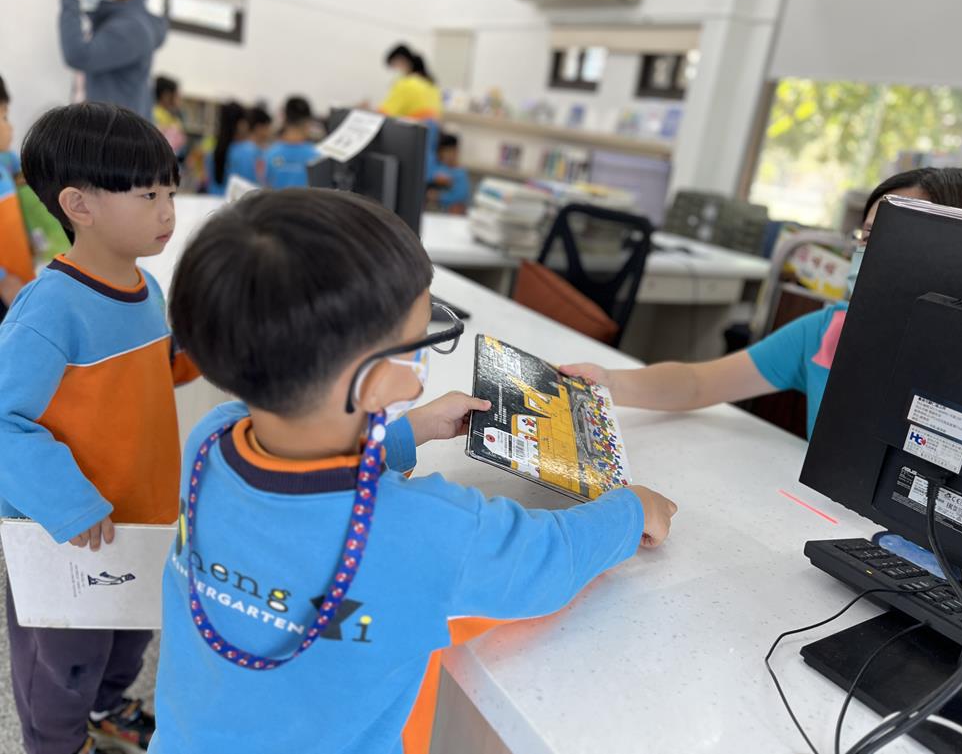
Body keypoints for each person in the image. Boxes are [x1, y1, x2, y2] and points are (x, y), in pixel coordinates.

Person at [150, 188, 677, 754]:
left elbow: (301, 489)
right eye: (422, 340)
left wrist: (405, 435)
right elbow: (550, 560)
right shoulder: (431, 527)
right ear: (372, 381)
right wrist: (633, 510)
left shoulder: (209, 442)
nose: (423, 360)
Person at [0, 102, 200, 754]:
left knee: (127, 634)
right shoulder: (50, 309)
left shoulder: (146, 288)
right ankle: (57, 741)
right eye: (148, 195)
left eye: (170, 192)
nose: (167, 212)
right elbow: (4, 420)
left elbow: (153, 371)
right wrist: (68, 502)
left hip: (139, 516)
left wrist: (209, 347)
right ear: (78, 205)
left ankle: (108, 706)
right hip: (69, 530)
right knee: (63, 659)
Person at [562, 168, 962, 437]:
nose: (873, 252)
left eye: (900, 238)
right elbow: (698, 383)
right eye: (868, 236)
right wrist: (610, 383)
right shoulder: (829, 333)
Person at [60, 0, 168, 117]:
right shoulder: (121, 22)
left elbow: (79, 55)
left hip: (116, 126)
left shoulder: (131, 28)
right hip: (113, 123)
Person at [0, 75, 35, 316]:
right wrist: (2, 279)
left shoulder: (6, 161)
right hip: (5, 284)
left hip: (20, 274)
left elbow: (28, 171)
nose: (11, 127)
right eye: (4, 117)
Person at [263, 96, 320, 189]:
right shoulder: (317, 157)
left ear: (284, 118)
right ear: (308, 121)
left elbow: (264, 187)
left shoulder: (269, 154)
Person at [379, 44, 442, 121]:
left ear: (401, 61)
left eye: (394, 66)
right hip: (430, 128)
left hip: (410, 127)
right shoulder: (431, 84)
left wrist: (368, 110)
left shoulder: (406, 84)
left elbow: (384, 112)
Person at [205, 101, 250, 196]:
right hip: (235, 202)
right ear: (239, 124)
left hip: (213, 200)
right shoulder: (246, 152)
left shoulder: (212, 150)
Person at [430, 132, 471, 214]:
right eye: (443, 152)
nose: (447, 156)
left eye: (450, 151)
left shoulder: (460, 173)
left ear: (456, 152)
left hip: (452, 215)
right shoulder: (440, 168)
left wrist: (439, 196)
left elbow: (460, 196)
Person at [153, 75, 187, 158]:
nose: (179, 99)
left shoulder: (171, 116)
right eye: (177, 95)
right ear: (166, 95)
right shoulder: (157, 115)